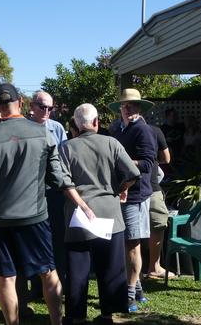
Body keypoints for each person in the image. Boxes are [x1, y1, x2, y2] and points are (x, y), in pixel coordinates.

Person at [0, 83, 95, 325]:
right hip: (35, 217)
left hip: (0, 218)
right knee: (48, 272)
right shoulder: (43, 133)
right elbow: (58, 177)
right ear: (20, 102)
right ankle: (56, 322)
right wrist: (82, 203)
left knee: (6, 278)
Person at [60, 104, 141, 325]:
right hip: (109, 214)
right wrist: (123, 188)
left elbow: (64, 182)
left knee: (78, 269)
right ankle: (107, 315)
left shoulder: (66, 148)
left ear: (76, 125)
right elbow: (133, 172)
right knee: (110, 267)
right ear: (96, 122)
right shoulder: (112, 143)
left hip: (79, 216)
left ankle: (77, 316)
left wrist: (83, 205)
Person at [108, 88, 157, 312]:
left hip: (136, 194)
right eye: (125, 105)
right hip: (120, 192)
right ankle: (137, 289)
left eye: (133, 105)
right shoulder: (117, 128)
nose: (128, 109)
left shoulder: (143, 130)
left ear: (139, 108)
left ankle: (129, 295)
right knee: (125, 243)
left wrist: (124, 161)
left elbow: (148, 164)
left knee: (132, 244)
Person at [29, 90, 68, 283]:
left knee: (56, 236)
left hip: (53, 191)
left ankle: (57, 277)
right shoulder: (25, 128)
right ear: (32, 106)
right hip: (31, 193)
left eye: (50, 108)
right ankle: (37, 283)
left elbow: (64, 160)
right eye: (42, 106)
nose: (46, 111)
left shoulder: (57, 128)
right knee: (35, 238)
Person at [147, 125, 173, 279]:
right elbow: (166, 158)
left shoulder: (119, 132)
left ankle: (146, 268)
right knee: (157, 225)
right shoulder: (155, 131)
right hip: (150, 187)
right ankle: (154, 266)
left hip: (128, 188)